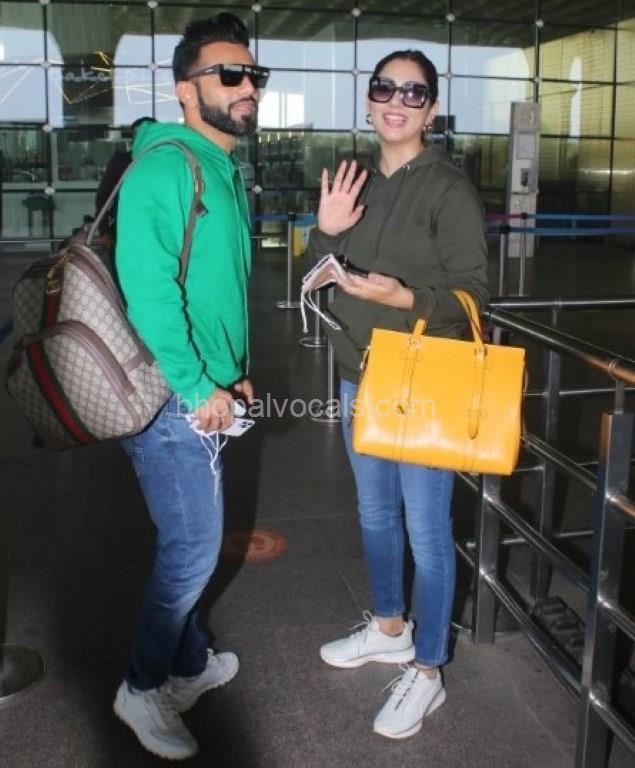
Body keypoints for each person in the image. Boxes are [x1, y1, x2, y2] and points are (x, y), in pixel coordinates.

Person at [307, 50, 489, 740]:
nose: (396, 101)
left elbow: (474, 294)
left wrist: (403, 297)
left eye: (414, 93)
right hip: (360, 374)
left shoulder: (448, 188)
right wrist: (324, 230)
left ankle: (429, 668)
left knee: (426, 531)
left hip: (424, 378)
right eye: (385, 87)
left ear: (431, 110)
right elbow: (317, 273)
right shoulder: (353, 178)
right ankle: (389, 627)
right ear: (368, 99)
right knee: (374, 512)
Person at [112, 14, 269, 761]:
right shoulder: (167, 168)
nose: (247, 87)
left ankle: (189, 662)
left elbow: (211, 288)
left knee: (192, 540)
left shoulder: (220, 168)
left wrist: (231, 371)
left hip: (207, 389)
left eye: (252, 75)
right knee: (191, 552)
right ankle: (141, 687)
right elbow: (150, 294)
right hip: (174, 400)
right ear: (185, 90)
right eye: (228, 74)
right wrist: (199, 384)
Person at [94, 116, 156, 247]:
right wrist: (104, 230)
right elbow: (104, 197)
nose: (143, 138)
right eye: (138, 134)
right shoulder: (120, 162)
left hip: (159, 227)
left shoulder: (166, 162)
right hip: (125, 227)